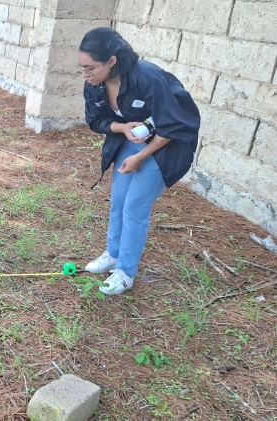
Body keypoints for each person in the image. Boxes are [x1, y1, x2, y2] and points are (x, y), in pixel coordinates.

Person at [78, 27, 200, 295]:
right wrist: (122, 128)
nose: (85, 75)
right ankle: (113, 254)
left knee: (135, 206)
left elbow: (173, 125)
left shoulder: (147, 76)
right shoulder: (96, 84)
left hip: (167, 145)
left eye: (90, 68)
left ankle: (125, 272)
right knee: (118, 201)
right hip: (131, 140)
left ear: (112, 61)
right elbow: (96, 121)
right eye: (82, 68)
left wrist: (141, 157)